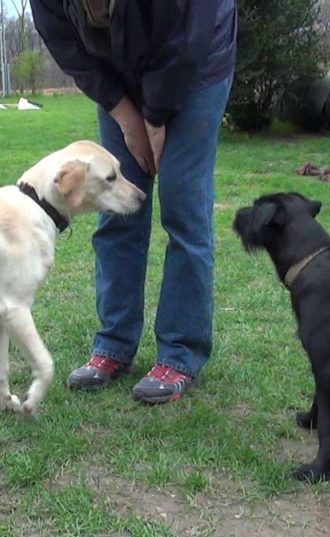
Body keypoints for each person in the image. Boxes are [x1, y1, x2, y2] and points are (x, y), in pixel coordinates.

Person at [31, 0, 237, 404]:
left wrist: (155, 120)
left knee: (183, 205)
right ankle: (114, 343)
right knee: (116, 207)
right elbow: (66, 43)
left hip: (196, 63)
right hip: (120, 74)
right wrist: (126, 116)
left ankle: (181, 352)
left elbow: (186, 38)